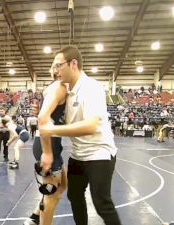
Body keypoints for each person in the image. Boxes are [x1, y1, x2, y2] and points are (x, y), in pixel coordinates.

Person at [40, 45, 121, 225]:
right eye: (53, 66)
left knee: (102, 204)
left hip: (99, 153)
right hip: (79, 155)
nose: (55, 70)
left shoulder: (91, 88)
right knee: (74, 195)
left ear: (73, 64)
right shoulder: (67, 91)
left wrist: (51, 130)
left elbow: (90, 126)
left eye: (59, 65)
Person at [25, 68, 68, 225]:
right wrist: (48, 153)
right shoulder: (59, 87)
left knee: (62, 185)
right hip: (48, 144)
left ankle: (35, 217)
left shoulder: (57, 87)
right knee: (52, 195)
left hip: (52, 143)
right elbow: (43, 118)